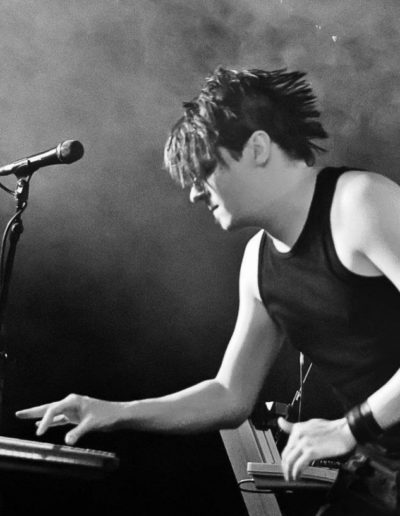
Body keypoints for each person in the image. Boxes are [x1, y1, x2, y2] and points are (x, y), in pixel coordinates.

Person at [16, 67, 400, 513]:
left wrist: (351, 427)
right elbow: (230, 395)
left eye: (204, 171)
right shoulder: (256, 263)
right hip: (380, 471)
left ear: (257, 148)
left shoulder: (361, 202)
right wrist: (115, 411)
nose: (195, 194)